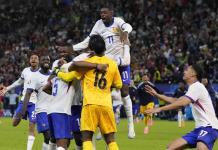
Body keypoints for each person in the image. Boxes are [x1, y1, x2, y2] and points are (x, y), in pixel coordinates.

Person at [59, 6, 135, 138]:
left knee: (124, 91)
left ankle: (131, 126)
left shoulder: (118, 21)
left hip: (121, 61)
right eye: (101, 13)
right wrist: (72, 48)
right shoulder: (98, 25)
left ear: (111, 13)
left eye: (105, 12)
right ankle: (102, 127)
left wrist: (126, 33)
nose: (102, 15)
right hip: (107, 61)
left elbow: (128, 26)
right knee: (105, 93)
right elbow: (87, 42)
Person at [57, 35, 122, 150]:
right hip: (106, 105)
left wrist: (58, 72)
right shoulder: (112, 64)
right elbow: (118, 85)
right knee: (110, 140)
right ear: (105, 47)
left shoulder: (86, 63)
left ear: (91, 48)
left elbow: (70, 74)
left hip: (89, 104)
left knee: (87, 138)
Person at [145, 64, 218, 150]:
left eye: (187, 70)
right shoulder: (193, 88)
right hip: (199, 129)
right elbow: (177, 101)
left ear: (193, 74)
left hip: (209, 127)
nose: (184, 72)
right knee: (171, 148)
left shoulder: (197, 86)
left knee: (201, 147)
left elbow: (182, 103)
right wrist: (157, 95)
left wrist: (159, 109)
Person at [43, 53, 108, 150]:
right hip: (62, 111)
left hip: (51, 111)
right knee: (63, 144)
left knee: (57, 140)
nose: (62, 60)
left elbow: (46, 87)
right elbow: (77, 66)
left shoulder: (55, 78)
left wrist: (56, 73)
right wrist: (94, 61)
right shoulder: (72, 74)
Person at [0, 53, 39, 150]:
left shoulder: (42, 72)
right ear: (29, 60)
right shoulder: (25, 71)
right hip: (23, 102)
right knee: (14, 123)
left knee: (31, 125)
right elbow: (19, 82)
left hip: (35, 103)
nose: (33, 59)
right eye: (32, 58)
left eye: (35, 58)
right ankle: (22, 115)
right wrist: (7, 88)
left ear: (38, 61)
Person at [18, 55, 52, 150]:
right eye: (44, 59)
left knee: (52, 138)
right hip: (41, 109)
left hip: (53, 109)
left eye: (48, 60)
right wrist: (23, 110)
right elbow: (28, 93)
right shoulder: (35, 76)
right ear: (39, 62)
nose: (46, 61)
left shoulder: (53, 74)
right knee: (48, 135)